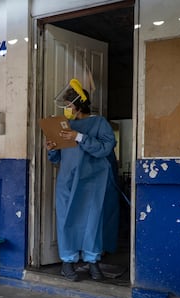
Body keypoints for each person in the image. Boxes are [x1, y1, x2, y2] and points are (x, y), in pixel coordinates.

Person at [46, 79, 120, 282]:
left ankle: (92, 261)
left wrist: (79, 137)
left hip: (92, 182)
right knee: (66, 220)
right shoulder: (65, 125)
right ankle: (67, 262)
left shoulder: (99, 123)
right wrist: (52, 149)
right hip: (67, 181)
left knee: (92, 221)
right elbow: (59, 157)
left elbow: (105, 148)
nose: (67, 109)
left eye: (69, 106)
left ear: (80, 104)